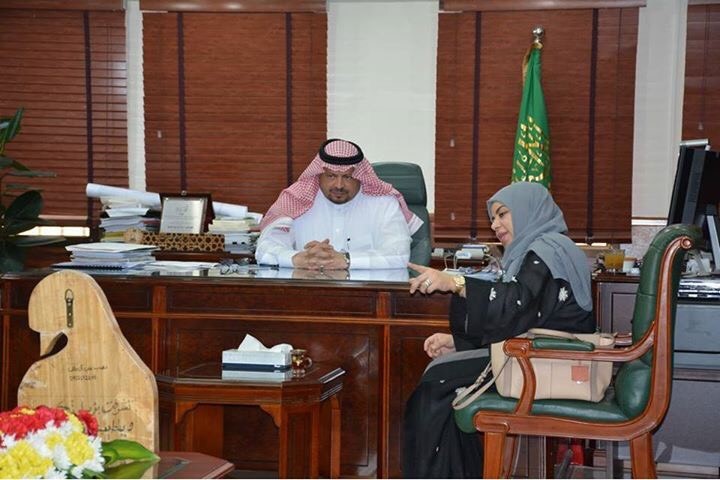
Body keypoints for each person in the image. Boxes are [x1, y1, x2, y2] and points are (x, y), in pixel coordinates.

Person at [402, 181, 595, 478]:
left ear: (528, 211)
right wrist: (459, 343)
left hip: (546, 360)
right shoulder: (546, 248)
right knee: (441, 376)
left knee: (436, 383)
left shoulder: (546, 251)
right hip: (536, 355)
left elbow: (516, 304)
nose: (494, 225)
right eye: (493, 217)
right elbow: (522, 317)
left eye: (503, 214)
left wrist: (456, 283)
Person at [255, 138, 423, 270]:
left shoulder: (383, 203)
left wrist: (346, 260)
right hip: (309, 290)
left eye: (347, 177)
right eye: (331, 176)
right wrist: (297, 258)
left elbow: (399, 254)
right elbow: (265, 249)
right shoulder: (296, 200)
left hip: (367, 294)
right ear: (319, 174)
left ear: (360, 176)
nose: (339, 185)